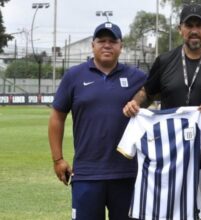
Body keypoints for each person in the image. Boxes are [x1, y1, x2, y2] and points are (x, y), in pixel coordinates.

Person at [123, 3, 201, 219]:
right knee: (171, 213)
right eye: (188, 25)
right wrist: (134, 104)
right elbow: (147, 92)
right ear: (180, 29)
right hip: (169, 159)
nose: (194, 30)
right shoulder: (164, 61)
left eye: (199, 25)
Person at [48, 22, 147, 220]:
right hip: (86, 174)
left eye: (113, 41)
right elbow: (57, 117)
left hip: (127, 175)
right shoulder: (74, 76)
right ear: (93, 45)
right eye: (101, 41)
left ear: (121, 46)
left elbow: (160, 94)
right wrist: (58, 159)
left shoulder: (138, 77)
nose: (107, 45)